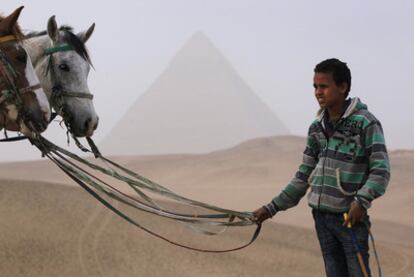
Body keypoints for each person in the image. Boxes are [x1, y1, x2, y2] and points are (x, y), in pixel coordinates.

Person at [254, 58, 390, 277]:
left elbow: (381, 170)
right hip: (321, 218)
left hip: (350, 219)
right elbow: (303, 176)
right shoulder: (316, 128)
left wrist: (361, 201)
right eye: (315, 87)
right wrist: (270, 208)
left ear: (343, 87)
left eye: (324, 86)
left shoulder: (366, 123)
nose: (318, 92)